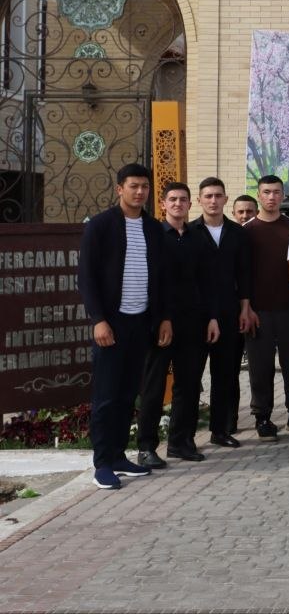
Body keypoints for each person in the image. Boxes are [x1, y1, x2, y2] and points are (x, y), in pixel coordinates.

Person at [80, 163, 172, 490]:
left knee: (128, 394)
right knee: (106, 396)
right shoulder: (100, 226)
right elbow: (87, 277)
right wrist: (98, 320)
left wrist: (163, 318)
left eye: (144, 187)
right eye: (133, 186)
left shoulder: (153, 228)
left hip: (142, 322)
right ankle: (103, 464)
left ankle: (119, 456)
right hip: (112, 322)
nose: (139, 192)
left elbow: (162, 278)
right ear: (120, 188)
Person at [136, 182, 215, 469]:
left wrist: (212, 318)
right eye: (173, 199)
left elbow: (207, 281)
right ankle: (146, 447)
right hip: (160, 323)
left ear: (190, 204)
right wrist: (162, 319)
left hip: (194, 322)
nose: (178, 204)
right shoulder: (154, 236)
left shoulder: (199, 237)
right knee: (154, 386)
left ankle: (181, 442)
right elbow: (152, 282)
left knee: (189, 384)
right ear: (163, 204)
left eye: (183, 199)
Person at [190, 176, 253, 448]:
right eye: (208, 196)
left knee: (225, 374)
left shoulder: (238, 233)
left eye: (218, 196)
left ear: (226, 199)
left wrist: (245, 308)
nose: (213, 201)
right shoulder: (189, 232)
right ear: (199, 200)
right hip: (197, 313)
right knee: (192, 376)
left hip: (229, 312)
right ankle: (185, 436)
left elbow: (245, 274)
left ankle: (221, 430)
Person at [244, 174, 289, 439]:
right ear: (259, 195)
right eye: (266, 192)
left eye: (276, 192)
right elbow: (241, 274)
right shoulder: (246, 231)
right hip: (258, 311)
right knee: (260, 367)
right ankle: (263, 417)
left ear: (283, 195)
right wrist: (246, 308)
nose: (271, 197)